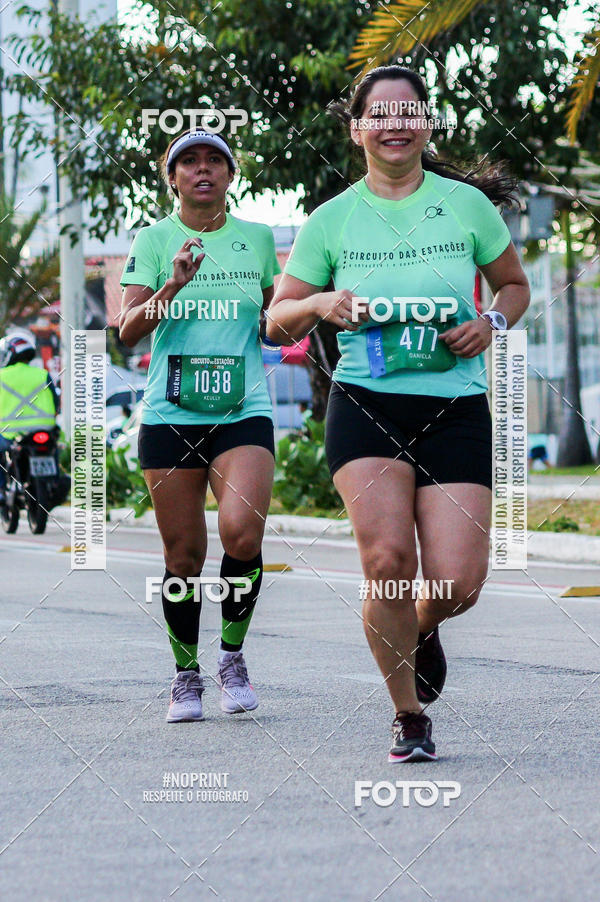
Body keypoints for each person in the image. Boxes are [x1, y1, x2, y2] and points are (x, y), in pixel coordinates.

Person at [267, 66, 530, 761]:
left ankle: (419, 625)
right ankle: (409, 714)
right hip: (367, 404)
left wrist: (491, 326)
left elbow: (512, 288)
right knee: (387, 561)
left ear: (427, 124)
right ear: (357, 129)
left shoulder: (468, 207)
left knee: (458, 582)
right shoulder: (332, 219)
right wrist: (321, 304)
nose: (395, 124)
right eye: (379, 114)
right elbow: (277, 319)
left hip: (456, 406)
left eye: (408, 112)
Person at [119, 129, 280, 722]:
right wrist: (173, 284)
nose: (203, 170)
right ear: (174, 178)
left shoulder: (259, 239)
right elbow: (129, 329)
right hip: (171, 412)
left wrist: (306, 315)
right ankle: (186, 674)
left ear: (231, 176)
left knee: (242, 535)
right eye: (190, 162)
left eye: (216, 160)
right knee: (183, 555)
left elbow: (275, 321)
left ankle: (232, 656)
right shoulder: (154, 239)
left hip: (244, 410)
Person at [0, 334, 58, 505]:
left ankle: (1, 489)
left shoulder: (2, 375)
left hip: (11, 433)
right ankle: (54, 480)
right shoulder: (42, 374)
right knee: (53, 448)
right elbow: (56, 401)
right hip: (44, 429)